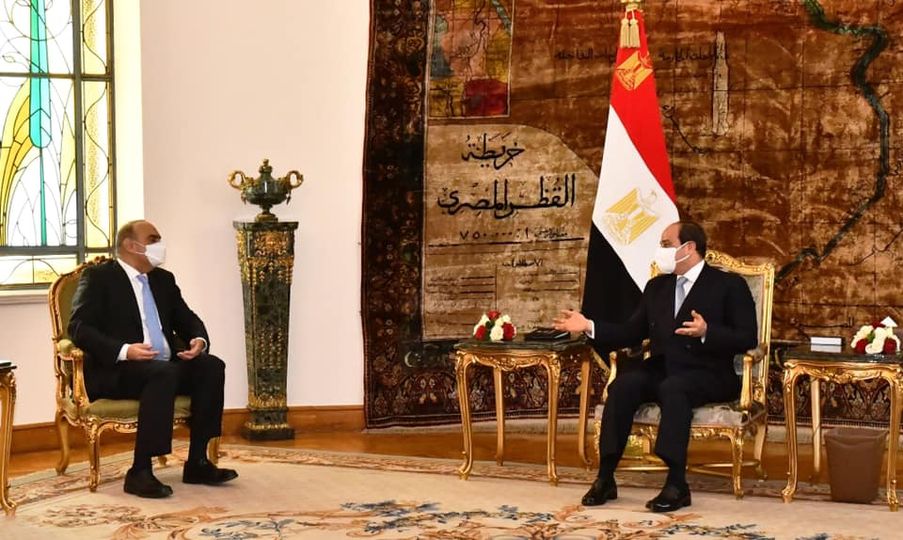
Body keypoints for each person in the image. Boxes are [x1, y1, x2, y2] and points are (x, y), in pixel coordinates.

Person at [554, 220, 757, 512]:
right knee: (623, 385)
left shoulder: (728, 285)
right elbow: (631, 332)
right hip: (664, 367)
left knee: (674, 388)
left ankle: (676, 484)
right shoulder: (657, 287)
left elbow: (747, 337)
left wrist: (707, 332)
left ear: (689, 248)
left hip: (710, 371)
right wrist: (588, 325)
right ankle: (605, 476)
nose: (660, 250)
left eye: (666, 244)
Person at [69, 220, 238, 498]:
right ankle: (140, 471)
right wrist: (125, 350)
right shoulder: (99, 278)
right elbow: (78, 328)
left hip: (162, 367)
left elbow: (187, 318)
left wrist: (198, 339)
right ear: (130, 245)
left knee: (211, 366)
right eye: (153, 239)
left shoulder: (163, 279)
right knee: (163, 374)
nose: (160, 245)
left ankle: (198, 462)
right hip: (118, 369)